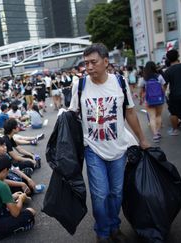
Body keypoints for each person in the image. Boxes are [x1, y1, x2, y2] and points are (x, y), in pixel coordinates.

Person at [69, 43, 150, 243]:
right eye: (85, 63)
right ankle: (102, 232)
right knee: (100, 195)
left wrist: (142, 139)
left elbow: (130, 112)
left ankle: (114, 226)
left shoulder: (120, 82)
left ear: (106, 62)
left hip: (119, 147)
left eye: (93, 62)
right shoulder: (80, 86)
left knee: (116, 193)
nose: (88, 67)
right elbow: (72, 116)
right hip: (92, 148)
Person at [139, 61, 166, 143]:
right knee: (158, 116)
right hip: (159, 99)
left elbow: (141, 90)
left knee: (152, 117)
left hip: (149, 100)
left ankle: (155, 135)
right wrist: (162, 96)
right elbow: (163, 87)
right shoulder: (159, 77)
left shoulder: (144, 78)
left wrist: (141, 98)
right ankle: (157, 131)